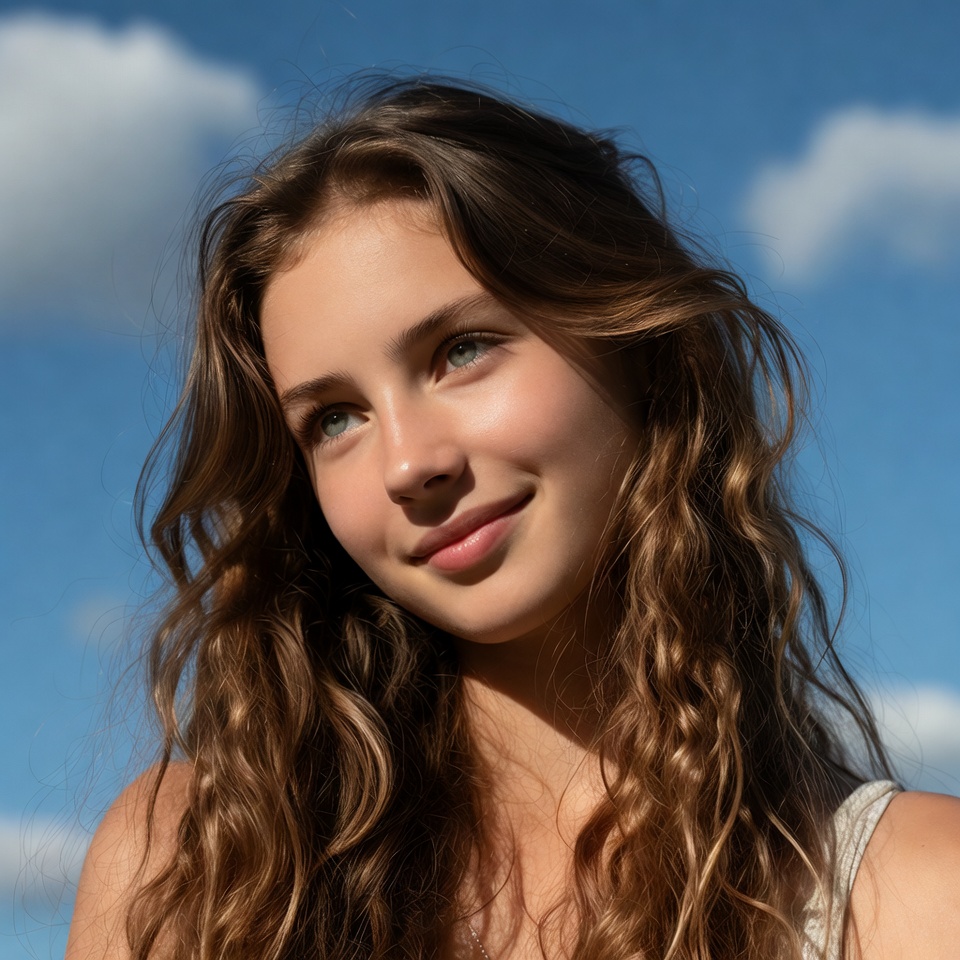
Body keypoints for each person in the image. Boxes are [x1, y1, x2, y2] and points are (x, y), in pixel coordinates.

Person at [66, 78, 960, 960]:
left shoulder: (912, 897)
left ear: (636, 346)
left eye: (461, 351)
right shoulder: (195, 876)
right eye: (334, 418)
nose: (411, 463)